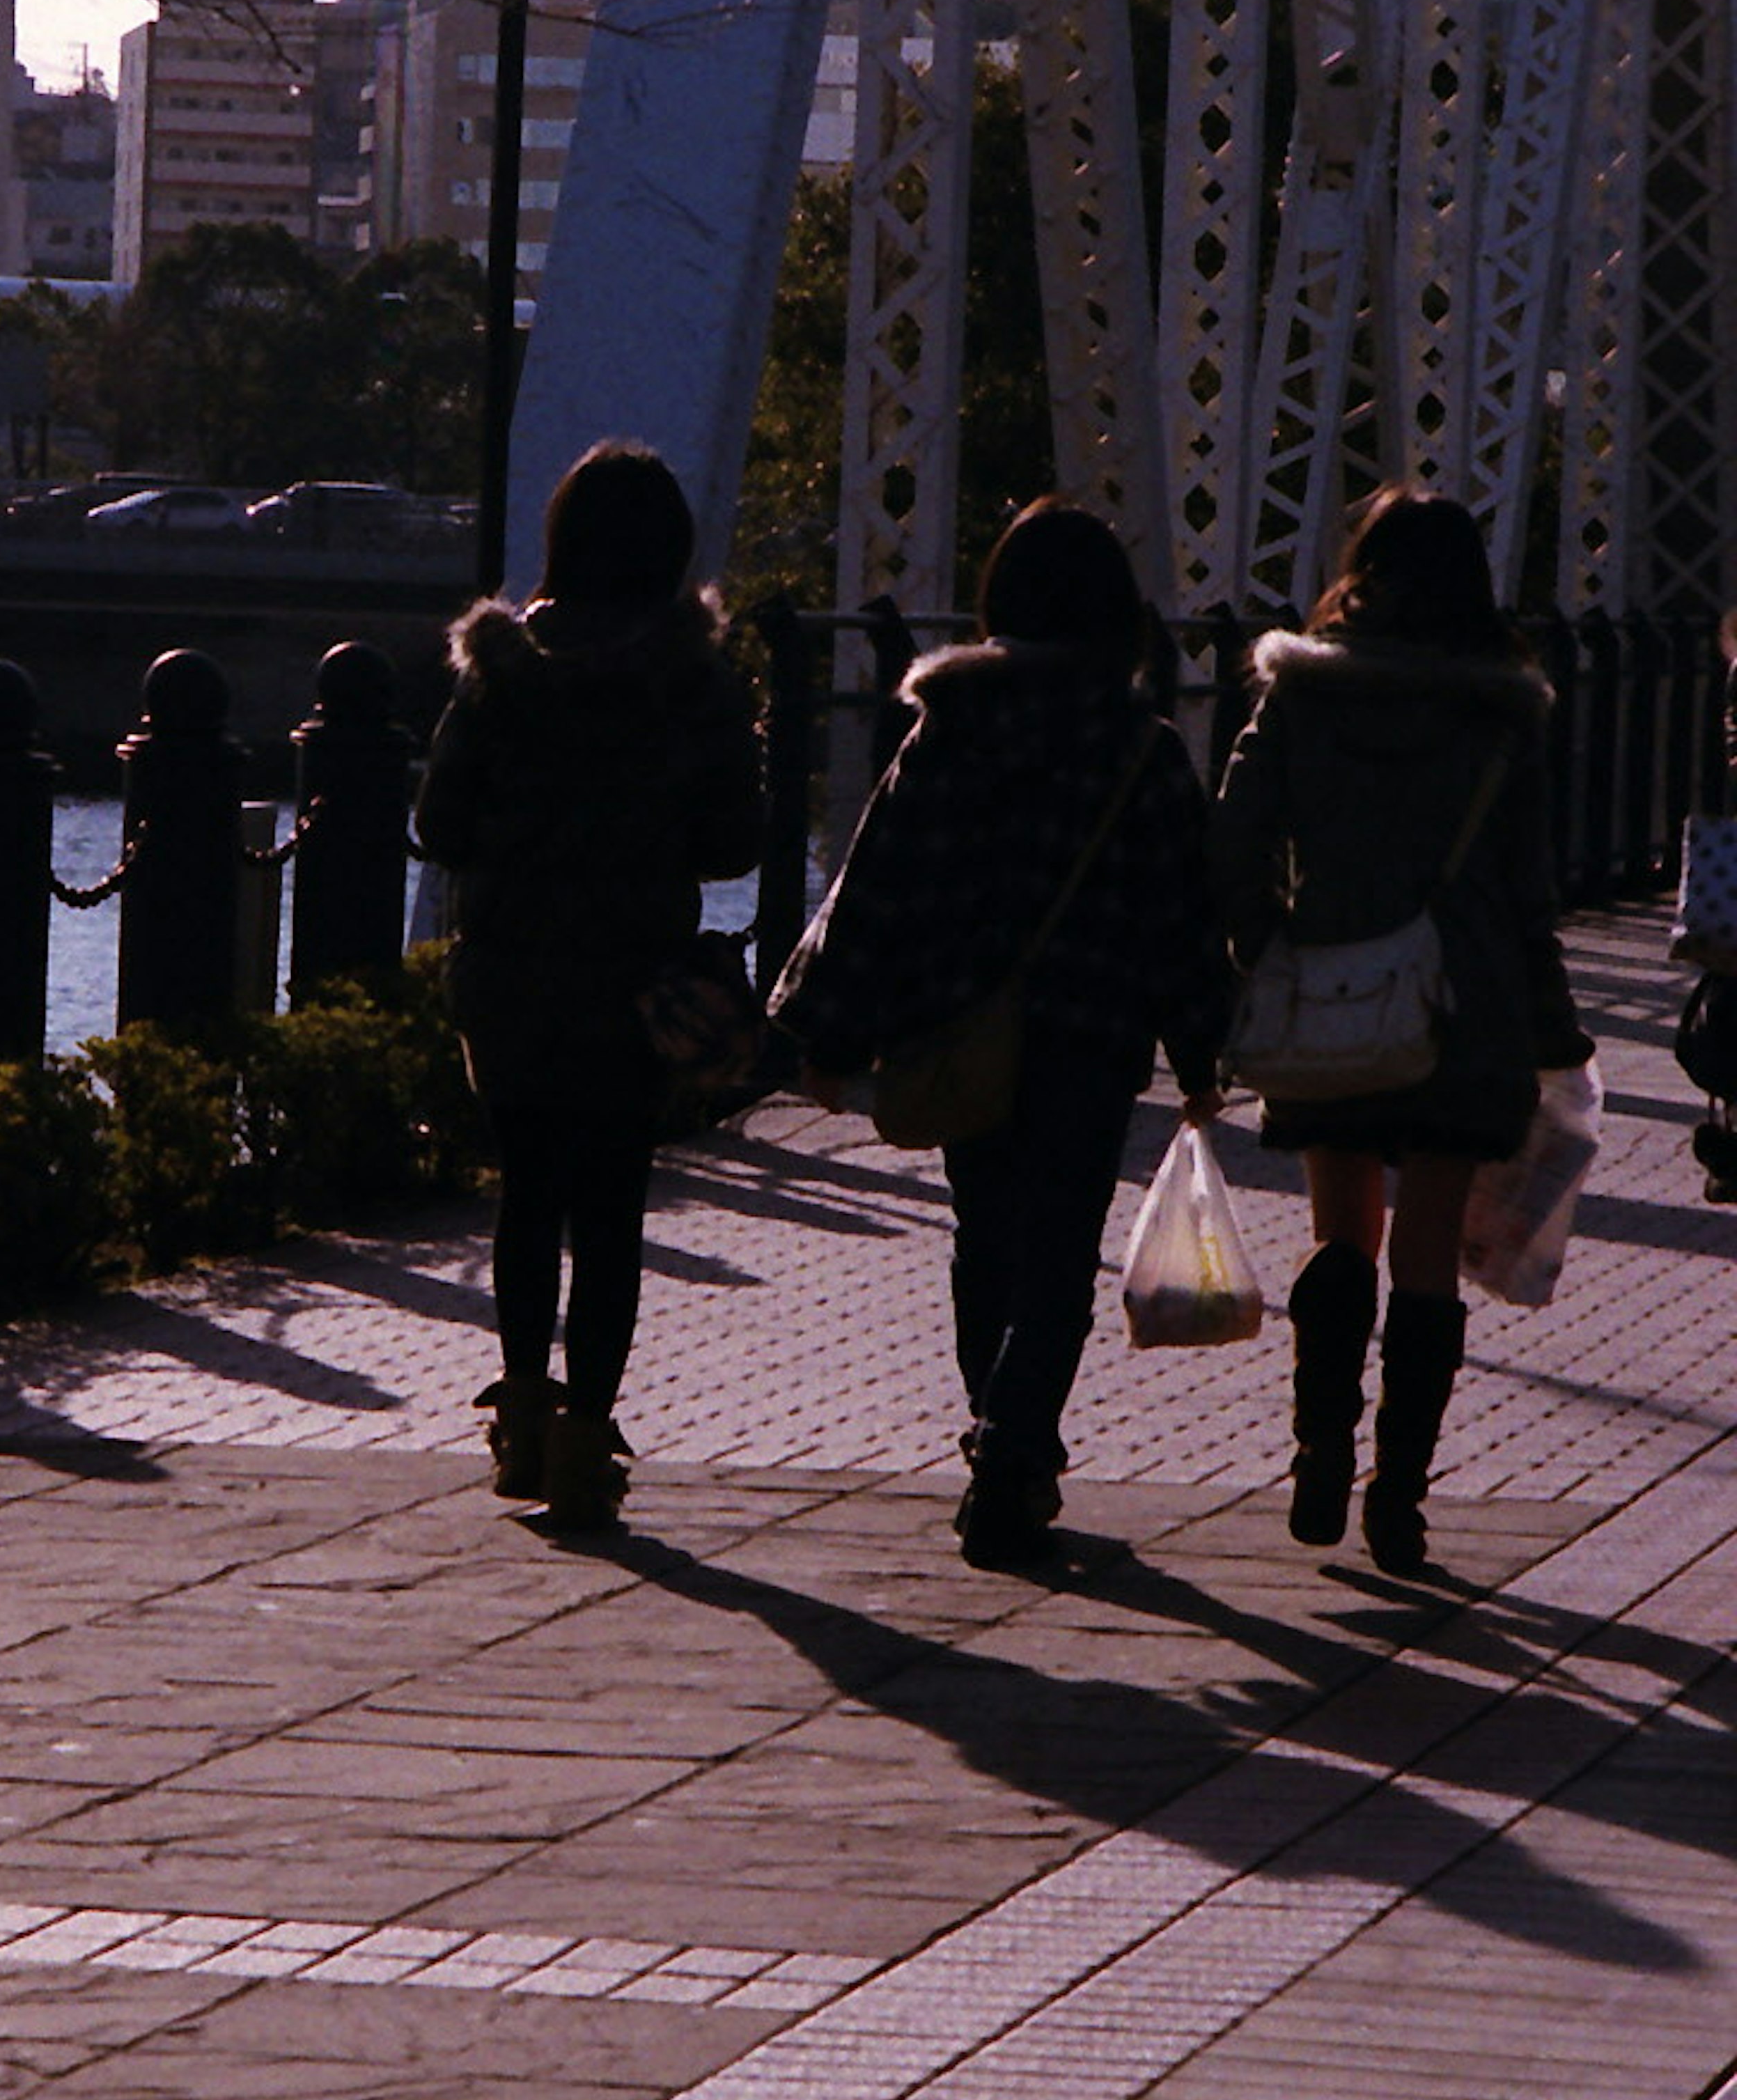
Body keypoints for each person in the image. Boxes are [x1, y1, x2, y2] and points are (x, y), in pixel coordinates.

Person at [772, 497, 1232, 1572]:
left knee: (984, 1235)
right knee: (1063, 1245)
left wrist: (827, 1026)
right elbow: (1181, 910)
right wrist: (1203, 1047)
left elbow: (879, 881)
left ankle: (998, 1429)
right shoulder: (1142, 748)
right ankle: (1014, 1446)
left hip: (960, 1022)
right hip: (1091, 1026)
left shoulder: (950, 731)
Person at [1210, 483, 1591, 1577]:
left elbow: (1235, 835)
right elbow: (1530, 897)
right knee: (1426, 1245)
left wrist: (1264, 945)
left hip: (1333, 980)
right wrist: (1554, 1032)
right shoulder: (1501, 714)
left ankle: (1318, 1447)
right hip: (1465, 1003)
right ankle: (1401, 1497)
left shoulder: (1300, 693)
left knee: (1341, 1234)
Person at [413, 438, 764, 1533]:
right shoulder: (694, 683)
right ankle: (585, 1430)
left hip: (510, 974)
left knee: (527, 1192)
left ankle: (518, 1404)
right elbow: (733, 843)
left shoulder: (502, 671)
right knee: (610, 1211)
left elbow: (439, 822)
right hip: (631, 980)